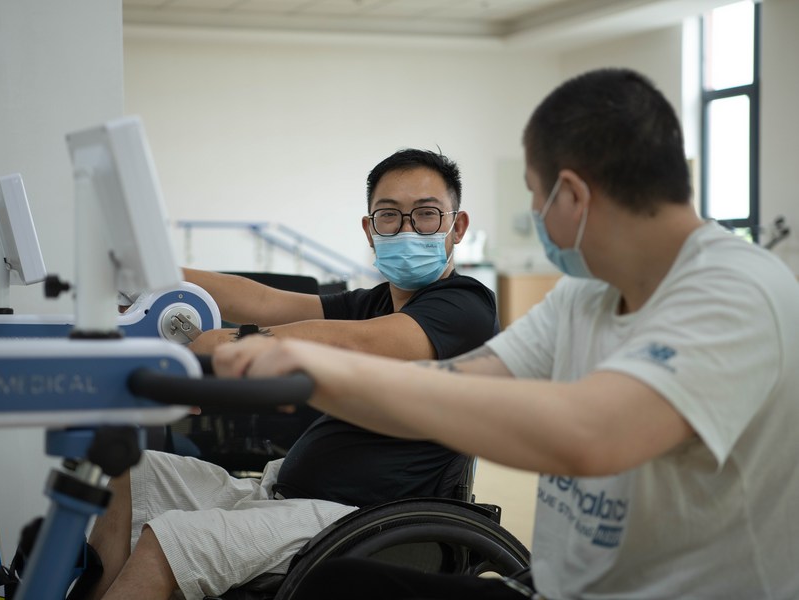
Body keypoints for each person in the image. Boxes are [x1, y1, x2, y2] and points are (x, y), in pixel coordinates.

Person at [215, 68, 799, 599]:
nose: (536, 212)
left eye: (532, 192)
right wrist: (286, 365)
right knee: (338, 585)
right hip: (559, 586)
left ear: (569, 194)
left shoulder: (736, 291)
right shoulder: (586, 293)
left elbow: (589, 434)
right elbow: (458, 385)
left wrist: (328, 365)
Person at [84, 148, 501, 600]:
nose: (406, 229)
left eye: (426, 215)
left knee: (168, 545)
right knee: (126, 471)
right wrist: (153, 278)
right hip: (286, 496)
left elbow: (356, 342)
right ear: (369, 229)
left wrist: (217, 347)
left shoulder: (464, 308)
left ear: (456, 227)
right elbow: (264, 302)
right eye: (389, 216)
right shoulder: (376, 302)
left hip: (360, 522)